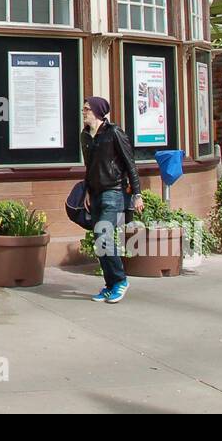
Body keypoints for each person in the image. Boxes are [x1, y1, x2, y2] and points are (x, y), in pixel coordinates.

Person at [80, 96, 143, 304]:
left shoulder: (114, 132)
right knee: (99, 242)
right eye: (83, 109)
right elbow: (89, 167)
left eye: (87, 109)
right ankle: (110, 285)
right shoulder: (85, 136)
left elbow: (130, 163)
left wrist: (137, 194)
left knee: (103, 234)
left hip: (113, 191)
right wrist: (87, 190)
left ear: (98, 111)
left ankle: (121, 280)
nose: (84, 112)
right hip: (96, 192)